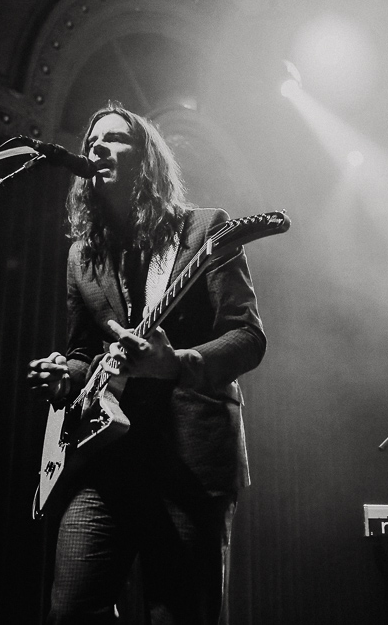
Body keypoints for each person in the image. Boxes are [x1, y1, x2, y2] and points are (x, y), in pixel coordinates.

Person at [28, 102, 266, 624]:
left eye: (116, 139)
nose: (98, 148)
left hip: (190, 460)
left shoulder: (207, 231)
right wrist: (64, 376)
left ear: (147, 160)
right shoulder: (81, 256)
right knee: (70, 611)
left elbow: (248, 338)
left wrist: (174, 363)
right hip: (106, 457)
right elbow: (84, 352)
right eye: (93, 141)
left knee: (180, 614)